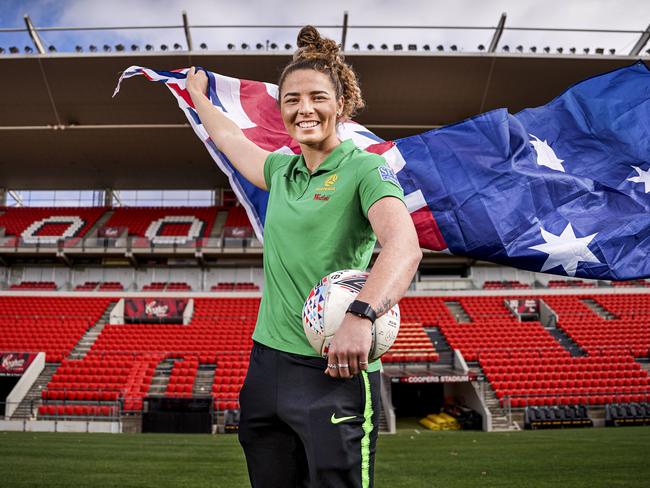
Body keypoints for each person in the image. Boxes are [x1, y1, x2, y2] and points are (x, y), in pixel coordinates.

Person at [186, 25, 421, 488]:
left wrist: (360, 316)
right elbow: (231, 140)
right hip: (267, 367)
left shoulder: (364, 168)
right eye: (291, 99)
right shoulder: (280, 168)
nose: (304, 108)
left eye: (317, 97)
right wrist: (198, 96)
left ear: (340, 105)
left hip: (335, 367)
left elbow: (404, 246)